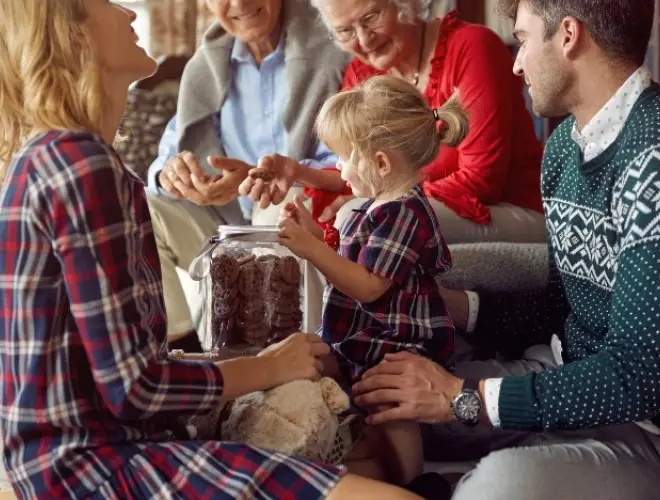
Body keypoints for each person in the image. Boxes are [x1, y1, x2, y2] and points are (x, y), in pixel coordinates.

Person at [0, 1, 417, 498]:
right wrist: (265, 368)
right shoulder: (82, 165)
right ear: (72, 36)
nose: (131, 14)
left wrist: (257, 363)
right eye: (107, 4)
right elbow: (135, 388)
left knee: (368, 468)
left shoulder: (56, 155)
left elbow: (120, 373)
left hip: (72, 455)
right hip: (92, 469)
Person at [348, 0, 660, 499]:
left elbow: (639, 378)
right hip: (563, 372)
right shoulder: (564, 147)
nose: (516, 63)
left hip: (657, 435)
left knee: (496, 487)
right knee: (384, 411)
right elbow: (565, 307)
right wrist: (456, 307)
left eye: (522, 39)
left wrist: (462, 398)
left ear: (567, 35)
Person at [276, 75, 466, 488]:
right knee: (322, 370)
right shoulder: (375, 206)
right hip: (363, 333)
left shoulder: (404, 211)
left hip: (393, 341)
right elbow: (351, 259)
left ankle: (416, 485)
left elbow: (368, 286)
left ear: (381, 163)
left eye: (343, 157)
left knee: (390, 408)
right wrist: (313, 234)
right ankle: (358, 457)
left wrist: (313, 251)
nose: (338, 169)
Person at [242, 0, 546, 244]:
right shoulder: (362, 75)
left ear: (404, 4)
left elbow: (482, 182)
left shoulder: (471, 46)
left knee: (357, 217)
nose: (363, 40)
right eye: (345, 31)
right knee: (286, 212)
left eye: (371, 17)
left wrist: (372, 198)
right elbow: (361, 169)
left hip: (505, 208)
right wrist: (298, 172)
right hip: (422, 202)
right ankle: (304, 321)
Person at [143, 0, 351, 342]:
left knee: (274, 205)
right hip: (222, 226)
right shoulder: (209, 62)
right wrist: (174, 175)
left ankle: (292, 359)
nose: (239, 3)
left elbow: (348, 161)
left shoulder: (333, 48)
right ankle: (186, 353)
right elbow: (168, 157)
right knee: (143, 209)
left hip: (298, 216)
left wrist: (264, 179)